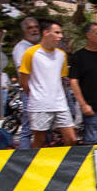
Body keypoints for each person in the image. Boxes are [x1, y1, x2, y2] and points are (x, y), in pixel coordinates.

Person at [18, 20, 75, 149]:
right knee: (40, 140)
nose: (60, 36)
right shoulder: (31, 53)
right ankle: (34, 164)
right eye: (57, 32)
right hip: (40, 104)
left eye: (61, 33)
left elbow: (61, 79)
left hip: (60, 103)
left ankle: (62, 164)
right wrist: (34, 95)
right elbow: (23, 80)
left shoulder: (62, 55)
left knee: (71, 138)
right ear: (45, 33)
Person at [10, 16, 41, 149]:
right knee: (28, 128)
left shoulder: (38, 47)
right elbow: (22, 73)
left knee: (43, 128)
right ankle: (25, 158)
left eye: (36, 27)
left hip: (42, 93)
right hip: (31, 93)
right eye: (30, 28)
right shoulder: (21, 48)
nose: (34, 30)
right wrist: (30, 92)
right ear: (24, 31)